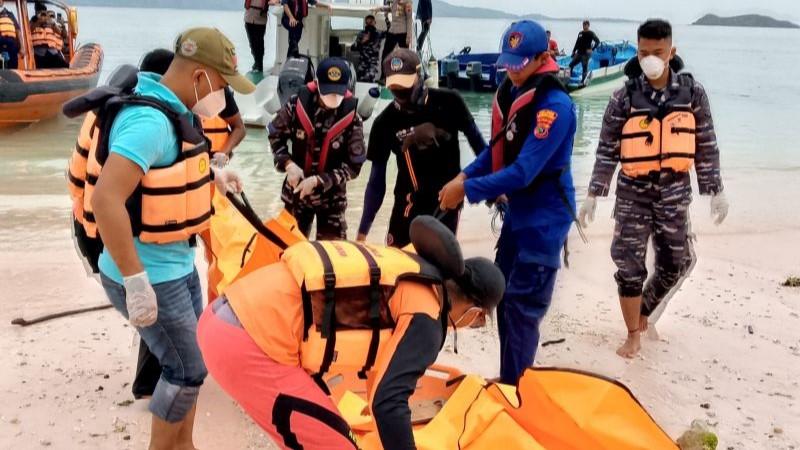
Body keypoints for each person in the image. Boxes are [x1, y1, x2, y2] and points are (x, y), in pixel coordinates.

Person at [66, 28, 254, 449]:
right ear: (202, 76)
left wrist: (214, 176)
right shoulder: (149, 121)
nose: (223, 97)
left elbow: (161, 178)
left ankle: (182, 444)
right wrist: (135, 281)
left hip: (175, 263)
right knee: (184, 370)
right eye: (223, 85)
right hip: (148, 272)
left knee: (194, 363)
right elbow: (106, 198)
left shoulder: (170, 105)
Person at [197, 217, 506, 450]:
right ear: (475, 313)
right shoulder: (427, 317)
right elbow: (389, 402)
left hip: (223, 315)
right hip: (246, 343)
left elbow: (379, 379)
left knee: (317, 431)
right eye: (478, 322)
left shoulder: (410, 269)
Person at [577, 19, 728, 358]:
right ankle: (633, 333)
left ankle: (643, 311)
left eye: (657, 52)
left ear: (671, 52)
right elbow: (606, 150)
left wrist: (715, 190)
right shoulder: (623, 97)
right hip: (632, 194)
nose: (650, 59)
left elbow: (706, 143)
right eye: (643, 52)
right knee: (628, 265)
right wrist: (593, 195)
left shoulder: (692, 93)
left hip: (674, 194)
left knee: (676, 262)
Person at [438, 20, 577, 384]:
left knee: (523, 306)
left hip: (545, 220)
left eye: (520, 64)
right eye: (508, 63)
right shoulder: (513, 91)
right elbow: (496, 152)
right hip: (518, 215)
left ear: (541, 58)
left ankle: (518, 389)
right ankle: (511, 378)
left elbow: (524, 172)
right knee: (502, 296)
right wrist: (464, 176)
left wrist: (467, 192)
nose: (512, 71)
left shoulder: (555, 106)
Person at [124, 47, 247, 401]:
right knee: (167, 314)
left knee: (212, 267)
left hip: (200, 195)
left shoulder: (202, 102)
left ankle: (206, 344)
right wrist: (132, 278)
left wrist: (216, 166)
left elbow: (235, 128)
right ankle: (156, 381)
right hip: (165, 227)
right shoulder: (156, 121)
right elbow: (115, 197)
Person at [357, 48, 487, 248]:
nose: (400, 94)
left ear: (419, 76)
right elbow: (376, 183)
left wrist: (495, 191)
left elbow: (480, 147)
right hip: (406, 206)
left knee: (436, 271)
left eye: (406, 87)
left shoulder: (450, 102)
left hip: (446, 203)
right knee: (397, 269)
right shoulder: (384, 123)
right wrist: (362, 233)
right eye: (395, 88)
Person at [268, 57, 365, 240]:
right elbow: (274, 135)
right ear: (317, 84)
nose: (333, 98)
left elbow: (354, 167)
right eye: (328, 92)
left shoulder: (353, 118)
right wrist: (288, 164)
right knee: (288, 250)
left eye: (339, 92)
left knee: (332, 257)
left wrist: (318, 181)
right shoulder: (295, 105)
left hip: (332, 200)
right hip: (297, 192)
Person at [374, 0, 413, 78]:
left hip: (403, 33)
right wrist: (379, 9)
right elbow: (391, 8)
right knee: (385, 54)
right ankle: (383, 76)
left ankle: (405, 75)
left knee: (404, 57)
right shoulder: (395, 2)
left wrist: (408, 37)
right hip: (392, 31)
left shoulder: (407, 3)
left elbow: (409, 19)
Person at [244, 0, 278, 72]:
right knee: (252, 43)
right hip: (249, 17)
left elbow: (274, 1)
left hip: (260, 19)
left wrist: (275, 2)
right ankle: (256, 62)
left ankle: (259, 64)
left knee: (259, 42)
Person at [351, 14, 381, 82]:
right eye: (367, 23)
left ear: (374, 22)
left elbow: (391, 32)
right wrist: (362, 41)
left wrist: (386, 18)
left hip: (373, 64)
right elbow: (353, 48)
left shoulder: (379, 34)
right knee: (361, 82)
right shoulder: (361, 34)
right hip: (363, 63)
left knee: (370, 81)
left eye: (371, 22)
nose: (369, 25)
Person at [568, 20, 599, 84]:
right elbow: (577, 43)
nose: (584, 26)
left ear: (588, 25)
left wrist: (592, 49)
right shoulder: (580, 33)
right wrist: (573, 51)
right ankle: (569, 78)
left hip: (586, 54)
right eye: (583, 24)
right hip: (579, 53)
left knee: (584, 68)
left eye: (585, 25)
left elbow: (597, 41)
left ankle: (583, 82)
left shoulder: (591, 33)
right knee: (571, 65)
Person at [0, 0, 23, 69]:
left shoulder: (10, 14)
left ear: (3, 2)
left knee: (13, 62)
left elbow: (18, 31)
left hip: (11, 40)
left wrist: (22, 47)